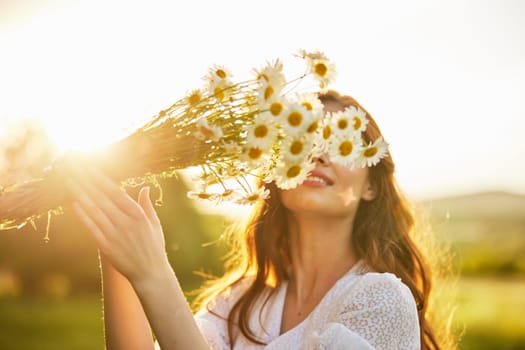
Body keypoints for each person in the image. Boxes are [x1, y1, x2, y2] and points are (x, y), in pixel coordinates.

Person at [67, 90, 446, 349]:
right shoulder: (239, 304)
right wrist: (118, 248)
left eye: (341, 142)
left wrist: (154, 274)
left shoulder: (379, 301)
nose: (318, 154)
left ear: (372, 187)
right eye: (302, 140)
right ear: (275, 172)